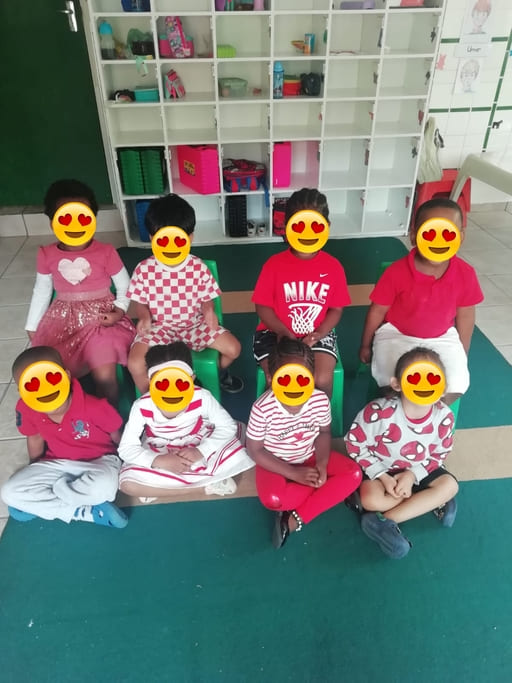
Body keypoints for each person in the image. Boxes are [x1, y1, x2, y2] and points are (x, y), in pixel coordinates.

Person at [359, 197, 484, 404]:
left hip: (442, 337)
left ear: (460, 237)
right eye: (430, 233)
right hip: (396, 334)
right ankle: (396, 411)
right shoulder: (396, 272)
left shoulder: (466, 273)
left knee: (457, 382)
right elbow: (377, 311)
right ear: (414, 236)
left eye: (447, 233)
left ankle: (432, 415)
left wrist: (463, 350)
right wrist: (365, 345)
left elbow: (466, 315)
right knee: (390, 379)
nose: (438, 241)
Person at [25, 179, 135, 406]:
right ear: (52, 222)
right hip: (63, 320)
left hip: (102, 320)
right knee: (54, 371)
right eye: (65, 218)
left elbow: (126, 287)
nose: (74, 225)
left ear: (93, 219)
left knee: (105, 377)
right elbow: (42, 290)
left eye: (82, 217)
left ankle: (110, 417)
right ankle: (72, 415)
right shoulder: (46, 254)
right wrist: (32, 325)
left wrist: (118, 311)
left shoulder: (106, 252)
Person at [246, 338, 362, 549]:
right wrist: (293, 473)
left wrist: (322, 464)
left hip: (309, 456)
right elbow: (255, 451)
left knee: (354, 474)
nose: (294, 387)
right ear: (271, 378)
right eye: (285, 378)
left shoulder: (319, 400)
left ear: (311, 377)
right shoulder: (262, 409)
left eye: (301, 378)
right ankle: (332, 493)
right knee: (273, 499)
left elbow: (324, 433)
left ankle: (293, 519)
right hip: (274, 463)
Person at [344, 347, 459, 559]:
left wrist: (412, 475)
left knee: (450, 486)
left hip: (418, 469)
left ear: (443, 388)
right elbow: (354, 444)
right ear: (397, 384)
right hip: (381, 469)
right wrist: (383, 477)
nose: (424, 385)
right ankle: (428, 501)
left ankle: (384, 521)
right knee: (370, 500)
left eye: (433, 379)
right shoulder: (379, 412)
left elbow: (439, 453)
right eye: (415, 378)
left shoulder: (444, 416)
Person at [126, 193, 243, 394]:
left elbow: (207, 299)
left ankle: (217, 375)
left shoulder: (198, 267)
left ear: (190, 238)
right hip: (160, 328)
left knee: (234, 349)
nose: (171, 246)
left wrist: (209, 311)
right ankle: (151, 398)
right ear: (153, 238)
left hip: (194, 325)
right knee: (135, 364)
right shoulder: (143, 269)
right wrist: (144, 317)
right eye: (163, 240)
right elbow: (141, 303)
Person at [1, 346, 128, 528]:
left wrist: (128, 463)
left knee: (105, 487)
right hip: (56, 463)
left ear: (66, 376)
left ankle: (44, 505)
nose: (44, 390)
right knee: (9, 492)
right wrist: (34, 470)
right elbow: (35, 438)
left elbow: (118, 437)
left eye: (50, 379)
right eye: (32, 385)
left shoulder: (95, 406)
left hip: (100, 461)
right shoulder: (26, 408)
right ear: (21, 391)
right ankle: (84, 511)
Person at [118, 342, 254, 500]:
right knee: (127, 484)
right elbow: (126, 448)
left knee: (239, 455)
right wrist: (159, 461)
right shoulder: (142, 406)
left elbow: (228, 427)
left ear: (191, 378)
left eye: (179, 382)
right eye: (162, 382)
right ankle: (205, 487)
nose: (171, 390)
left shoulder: (201, 396)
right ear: (150, 381)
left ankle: (157, 488)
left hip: (197, 441)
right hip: (159, 448)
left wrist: (200, 451)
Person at [252, 188, 351, 398]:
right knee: (276, 378)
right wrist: (282, 331)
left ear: (326, 227)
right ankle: (273, 418)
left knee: (321, 379)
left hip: (318, 335)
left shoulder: (334, 267)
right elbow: (262, 306)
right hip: (274, 333)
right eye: (299, 225)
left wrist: (319, 333)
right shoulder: (273, 265)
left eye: (315, 226)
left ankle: (320, 417)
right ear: (287, 226)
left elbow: (336, 309)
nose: (307, 233)